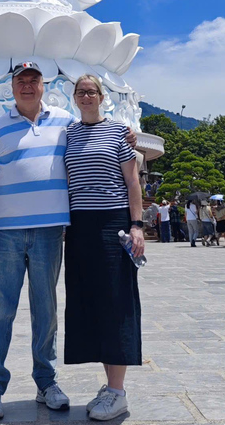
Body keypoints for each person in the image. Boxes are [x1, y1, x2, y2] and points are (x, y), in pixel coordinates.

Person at [0, 62, 136, 421]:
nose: (27, 86)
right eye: (21, 81)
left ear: (45, 86)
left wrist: (128, 135)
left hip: (49, 232)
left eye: (34, 80)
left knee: (45, 310)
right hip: (8, 233)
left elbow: (98, 133)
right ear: (11, 87)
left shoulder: (64, 121)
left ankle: (46, 382)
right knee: (0, 309)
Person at [64, 74, 144, 421]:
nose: (86, 96)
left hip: (114, 223)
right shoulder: (67, 134)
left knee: (116, 303)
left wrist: (137, 225)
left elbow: (132, 180)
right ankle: (108, 385)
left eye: (91, 91)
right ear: (74, 97)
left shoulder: (118, 132)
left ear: (102, 96)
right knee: (86, 302)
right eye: (80, 91)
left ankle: (118, 391)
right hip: (80, 226)